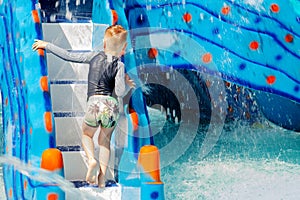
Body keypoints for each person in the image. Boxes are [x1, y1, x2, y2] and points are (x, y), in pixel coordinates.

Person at [32, 25, 135, 187]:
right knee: (104, 142)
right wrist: (127, 84)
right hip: (111, 106)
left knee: (87, 135)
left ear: (104, 44)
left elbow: (68, 56)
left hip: (95, 103)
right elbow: (120, 92)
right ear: (124, 49)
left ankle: (92, 160)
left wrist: (47, 45)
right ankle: (102, 177)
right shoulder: (120, 66)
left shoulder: (93, 56)